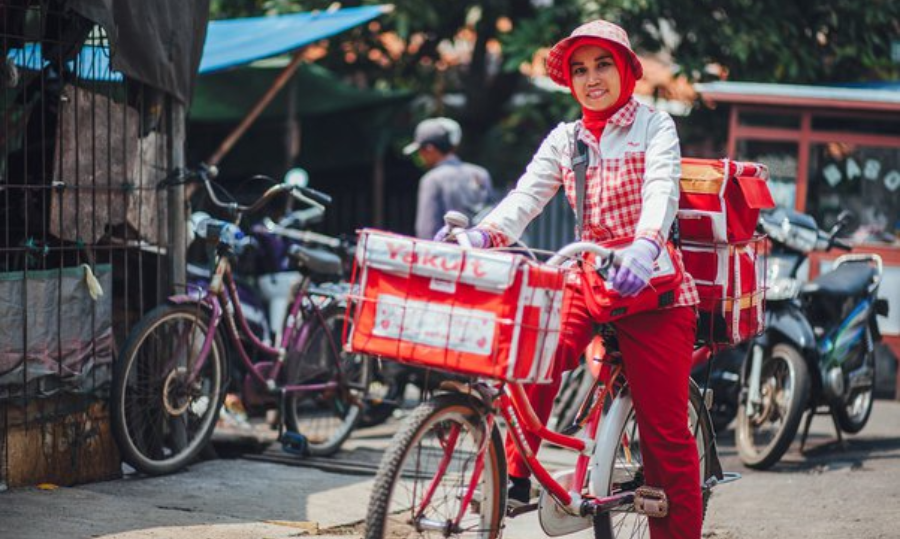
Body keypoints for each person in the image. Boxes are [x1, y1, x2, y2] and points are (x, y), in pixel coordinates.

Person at [443, 20, 701, 539]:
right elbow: (524, 199)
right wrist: (480, 236)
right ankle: (516, 474)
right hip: (588, 280)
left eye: (603, 64)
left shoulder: (656, 127)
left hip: (652, 288)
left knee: (665, 436)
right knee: (530, 353)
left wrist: (646, 243)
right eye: (580, 70)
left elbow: (661, 188)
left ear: (627, 70)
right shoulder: (566, 138)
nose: (592, 79)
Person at [404, 117, 493, 239]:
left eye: (420, 150)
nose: (420, 155)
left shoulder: (432, 179)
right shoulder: (480, 173)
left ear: (430, 149)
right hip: (484, 252)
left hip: (450, 255)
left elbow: (426, 231)